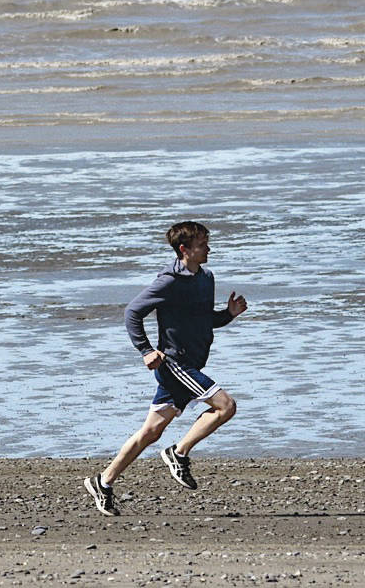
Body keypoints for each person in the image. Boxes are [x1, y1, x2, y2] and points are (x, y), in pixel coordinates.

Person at [84, 220, 248, 516]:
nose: (208, 248)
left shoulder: (206, 278)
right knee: (226, 406)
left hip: (192, 364)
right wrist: (146, 350)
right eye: (202, 245)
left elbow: (203, 320)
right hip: (176, 364)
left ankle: (103, 482)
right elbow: (132, 312)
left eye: (207, 242)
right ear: (184, 249)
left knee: (151, 431)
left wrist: (228, 315)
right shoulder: (168, 282)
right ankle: (179, 452)